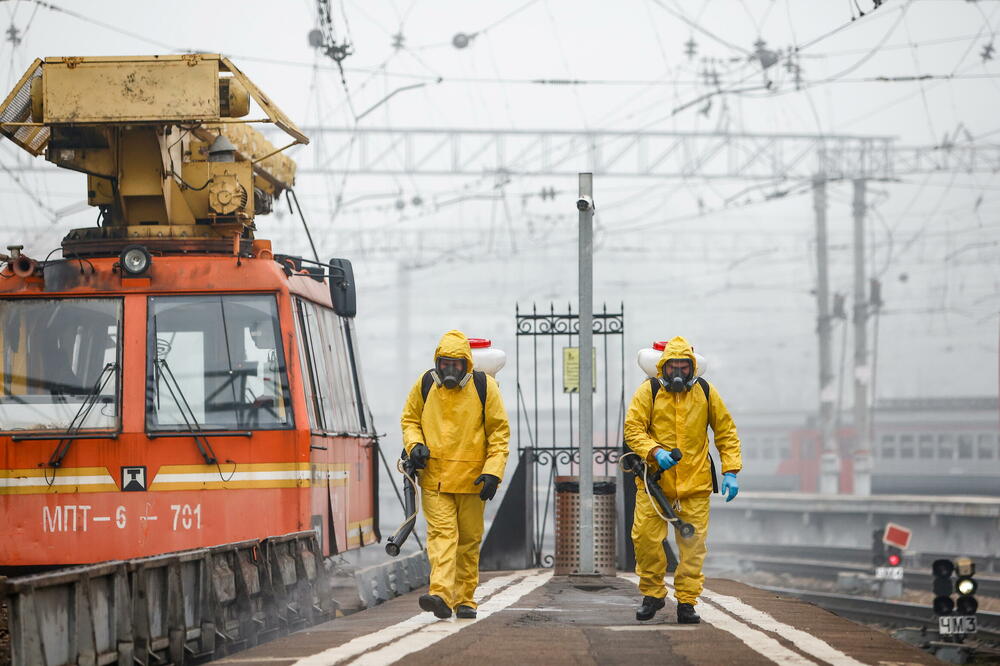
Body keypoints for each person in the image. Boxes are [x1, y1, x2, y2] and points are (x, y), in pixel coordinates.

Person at [624, 336, 742, 624]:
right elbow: (633, 429)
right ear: (663, 367)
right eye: (673, 366)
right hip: (654, 484)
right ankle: (653, 594)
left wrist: (731, 471)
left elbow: (725, 431)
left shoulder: (705, 392)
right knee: (645, 540)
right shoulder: (649, 391)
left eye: (684, 367)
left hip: (695, 485)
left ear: (692, 367)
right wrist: (655, 451)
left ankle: (687, 602)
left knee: (693, 547)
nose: (678, 373)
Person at [400, 330, 510, 620]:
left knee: (468, 542)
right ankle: (440, 594)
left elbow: (499, 434)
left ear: (466, 364)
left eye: (456, 364)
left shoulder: (484, 387)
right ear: (437, 362)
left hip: (472, 481)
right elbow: (410, 419)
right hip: (435, 479)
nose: (449, 370)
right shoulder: (425, 384)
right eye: (445, 364)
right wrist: (415, 445)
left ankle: (465, 599)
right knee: (442, 536)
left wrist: (493, 473)